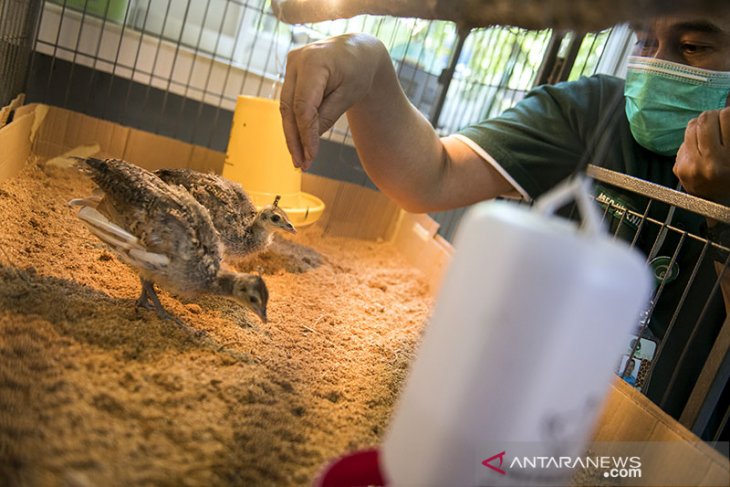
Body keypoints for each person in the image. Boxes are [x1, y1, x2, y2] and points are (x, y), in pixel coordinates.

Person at [279, 13, 730, 433]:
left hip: (667, 442)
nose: (657, 65)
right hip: (533, 410)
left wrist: (724, 213)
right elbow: (433, 175)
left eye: (692, 47)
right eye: (644, 40)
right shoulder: (595, 110)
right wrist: (372, 69)